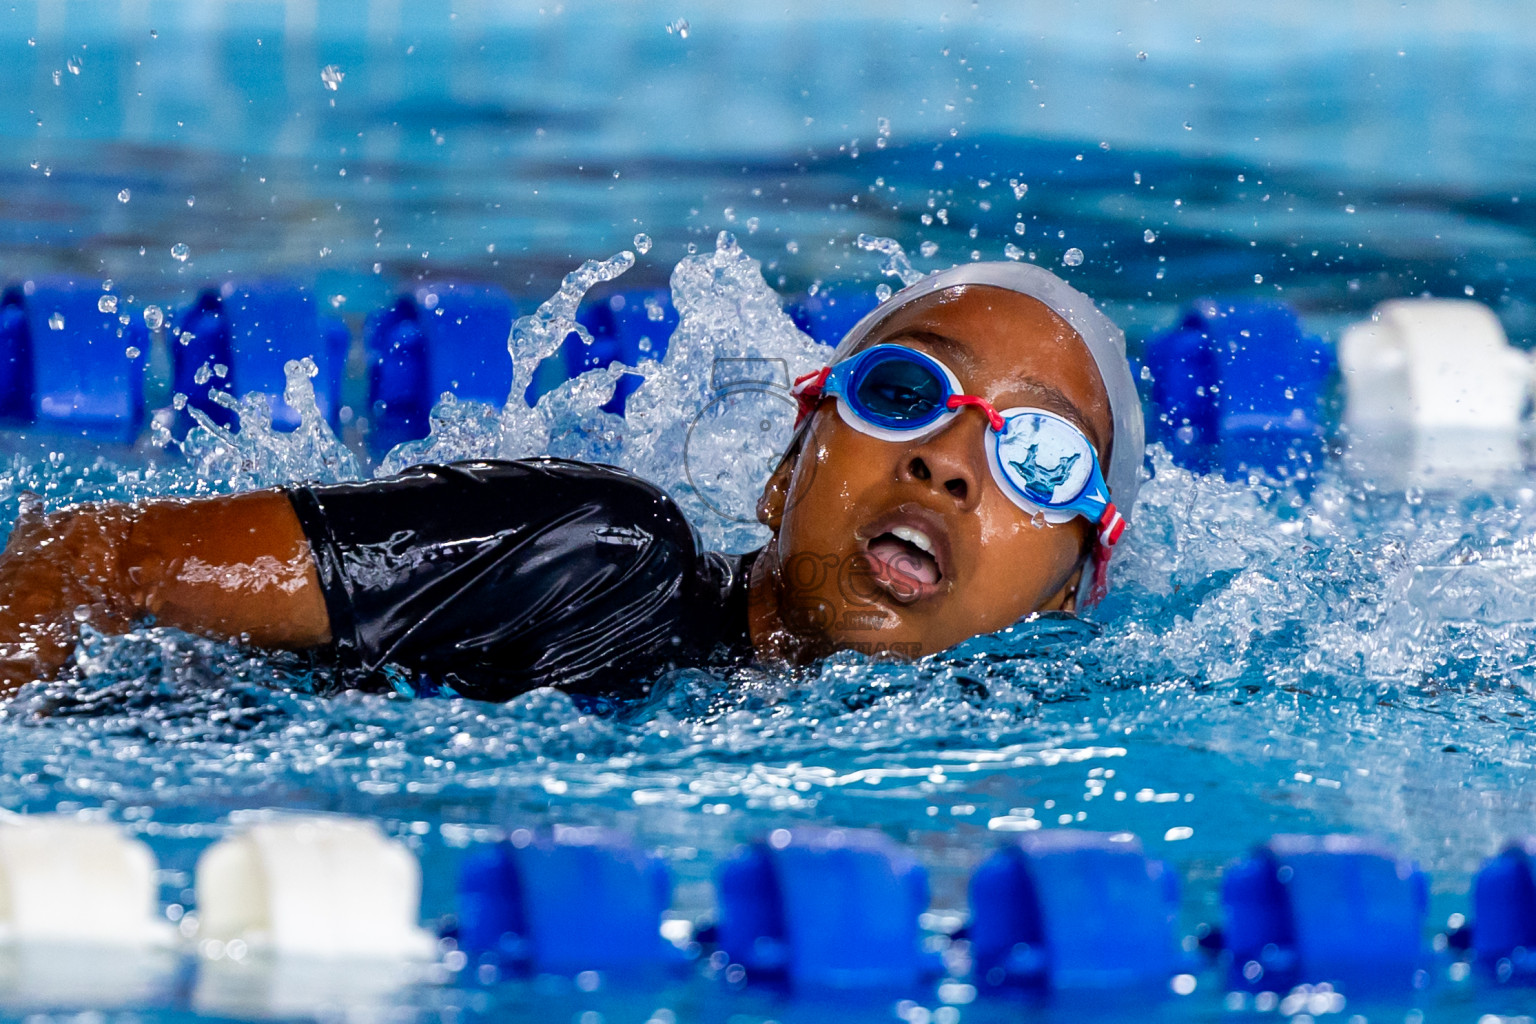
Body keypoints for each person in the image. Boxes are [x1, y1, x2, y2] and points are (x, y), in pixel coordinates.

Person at [0, 262, 1144, 702]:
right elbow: (99, 557)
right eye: (903, 392)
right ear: (787, 464)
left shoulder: (997, 768)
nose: (948, 458)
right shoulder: (600, 554)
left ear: (1066, 592)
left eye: (1037, 458)